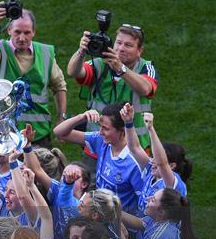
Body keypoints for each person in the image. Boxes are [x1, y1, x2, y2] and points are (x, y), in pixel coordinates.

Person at [0, 5, 67, 147]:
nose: (22, 38)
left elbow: (59, 85)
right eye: (17, 32)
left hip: (39, 133)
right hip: (5, 135)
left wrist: (62, 117)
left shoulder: (45, 52)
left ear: (34, 32)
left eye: (27, 32)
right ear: (9, 30)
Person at [67, 24, 159, 152]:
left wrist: (120, 68)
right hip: (98, 145)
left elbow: (145, 89)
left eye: (128, 45)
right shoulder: (99, 63)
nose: (121, 48)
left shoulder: (146, 67)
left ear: (139, 51)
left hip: (133, 148)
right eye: (119, 43)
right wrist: (81, 52)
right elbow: (73, 72)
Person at [54, 102, 144, 216]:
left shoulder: (134, 163)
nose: (101, 132)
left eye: (106, 128)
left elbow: (144, 206)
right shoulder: (101, 141)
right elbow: (59, 132)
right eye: (100, 127)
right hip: (100, 219)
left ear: (122, 130)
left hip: (123, 228)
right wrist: (82, 117)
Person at [120, 104, 190, 214]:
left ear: (171, 166)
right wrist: (128, 122)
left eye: (156, 159)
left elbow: (162, 164)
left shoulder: (172, 184)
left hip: (160, 231)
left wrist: (151, 129)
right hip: (144, 229)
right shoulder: (151, 171)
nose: (152, 161)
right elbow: (134, 147)